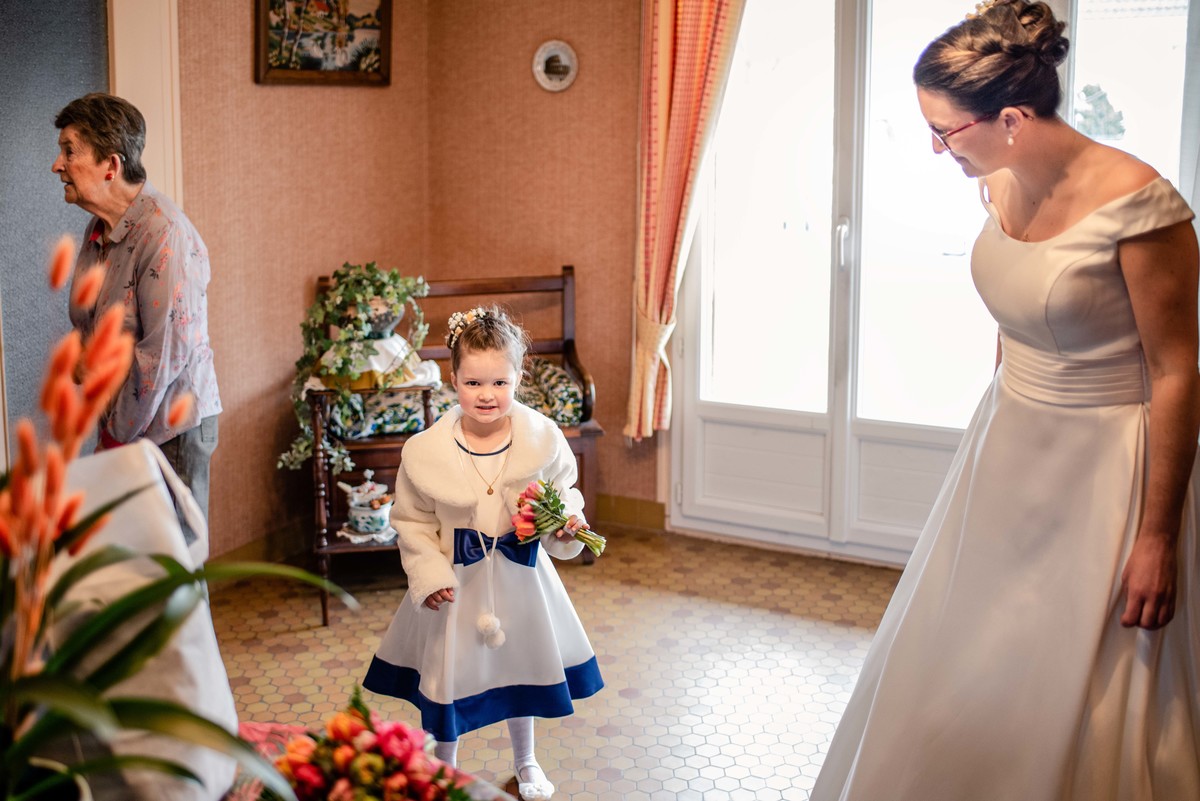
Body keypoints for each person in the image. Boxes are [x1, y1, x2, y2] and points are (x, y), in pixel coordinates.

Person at [812, 2, 1200, 799]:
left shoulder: (1140, 207)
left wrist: (1157, 532)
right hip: (1007, 445)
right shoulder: (995, 183)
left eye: (945, 131)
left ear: (1013, 119)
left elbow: (1177, 372)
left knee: (1081, 672)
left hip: (1107, 468)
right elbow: (1016, 316)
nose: (935, 147)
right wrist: (995, 424)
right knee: (970, 650)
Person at [363, 306, 603, 801]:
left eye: (499, 382)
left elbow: (564, 492)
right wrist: (428, 574)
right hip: (457, 584)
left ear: (519, 376)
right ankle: (443, 768)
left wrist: (565, 526)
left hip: (521, 580)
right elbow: (412, 521)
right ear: (453, 378)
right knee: (450, 675)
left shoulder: (542, 439)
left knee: (522, 668)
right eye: (473, 383)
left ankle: (526, 760)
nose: (487, 395)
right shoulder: (425, 452)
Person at [53, 93, 221, 543]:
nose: (58, 164)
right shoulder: (99, 230)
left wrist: (116, 438)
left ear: (111, 165)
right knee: (130, 562)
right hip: (123, 422)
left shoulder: (164, 233)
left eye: (69, 150)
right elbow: (91, 323)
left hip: (170, 425)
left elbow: (163, 354)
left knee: (172, 566)